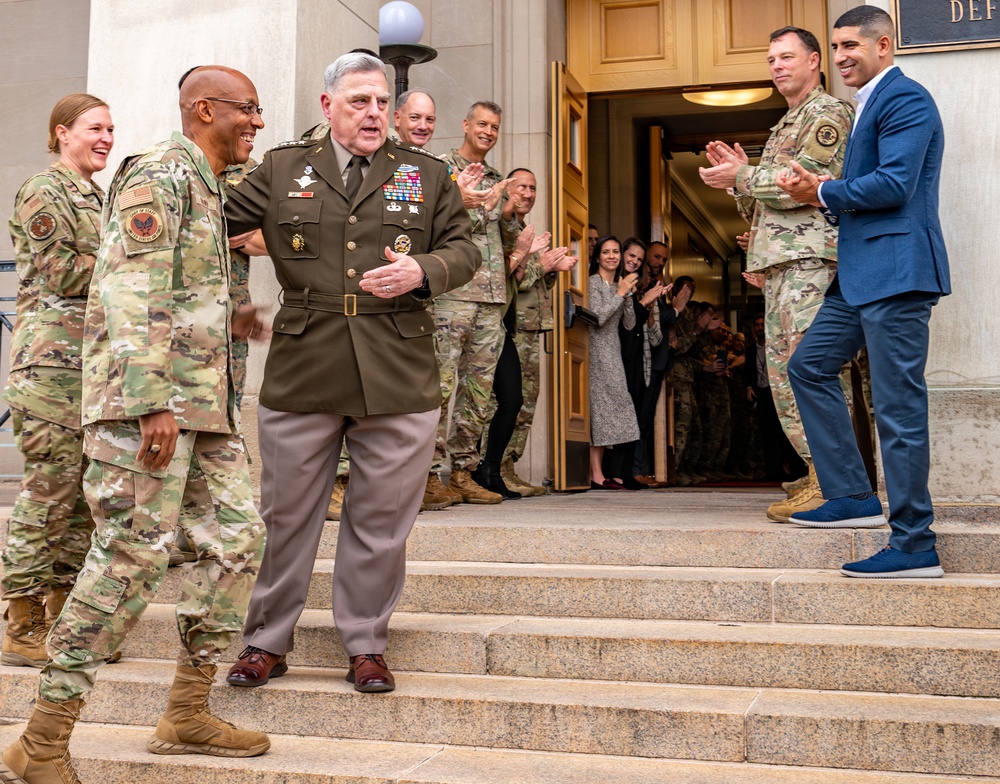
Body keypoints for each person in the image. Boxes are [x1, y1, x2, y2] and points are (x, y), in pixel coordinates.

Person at [0, 66, 273, 783]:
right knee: (127, 558)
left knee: (239, 540)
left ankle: (187, 710)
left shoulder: (211, 191)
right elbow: (127, 286)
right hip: (150, 409)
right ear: (204, 109)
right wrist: (149, 396)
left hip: (204, 410)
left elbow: (178, 290)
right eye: (247, 109)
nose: (257, 121)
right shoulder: (161, 173)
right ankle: (43, 740)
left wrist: (233, 317)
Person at [223, 52, 478, 693]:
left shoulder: (424, 173)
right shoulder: (281, 169)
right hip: (304, 364)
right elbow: (206, 226)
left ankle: (365, 642)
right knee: (286, 516)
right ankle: (265, 640)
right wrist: (223, 307)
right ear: (327, 105)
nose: (373, 113)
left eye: (380, 102)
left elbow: (466, 247)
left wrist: (425, 270)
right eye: (358, 101)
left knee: (381, 521)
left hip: (398, 367)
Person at [777, 5, 950, 578]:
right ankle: (851, 495)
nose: (842, 55)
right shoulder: (865, 104)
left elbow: (896, 184)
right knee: (808, 366)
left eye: (853, 44)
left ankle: (914, 544)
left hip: (898, 273)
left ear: (885, 46)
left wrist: (821, 190)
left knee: (899, 410)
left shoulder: (905, 98)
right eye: (836, 46)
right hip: (858, 276)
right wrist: (820, 196)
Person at [698, 25, 854, 521]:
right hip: (786, 265)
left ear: (814, 61)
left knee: (811, 370)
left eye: (787, 57)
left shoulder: (826, 113)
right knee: (789, 376)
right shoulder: (785, 124)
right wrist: (741, 181)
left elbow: (801, 187)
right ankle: (818, 473)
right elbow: (765, 210)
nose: (777, 66)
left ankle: (837, 482)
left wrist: (743, 176)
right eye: (771, 59)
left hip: (811, 263)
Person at [2, 95, 114, 669]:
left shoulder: (98, 197)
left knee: (79, 500)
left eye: (111, 129)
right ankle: (20, 618)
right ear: (62, 132)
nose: (106, 137)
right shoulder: (44, 191)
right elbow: (60, 270)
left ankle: (64, 616)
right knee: (48, 490)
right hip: (49, 370)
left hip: (90, 370)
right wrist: (135, 263)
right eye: (96, 128)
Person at [428, 101, 519, 505]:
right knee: (440, 386)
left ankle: (463, 472)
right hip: (453, 295)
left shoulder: (500, 178)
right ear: (465, 124)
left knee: (479, 392)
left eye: (495, 126)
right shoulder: (441, 168)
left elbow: (503, 236)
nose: (488, 131)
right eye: (481, 123)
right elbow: (434, 221)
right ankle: (428, 475)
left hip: (490, 299)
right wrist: (468, 199)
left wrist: (510, 212)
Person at [495, 168, 576, 497]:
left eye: (533, 187)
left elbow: (534, 281)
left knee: (526, 403)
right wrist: (541, 263)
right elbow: (506, 277)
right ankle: (495, 466)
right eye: (522, 187)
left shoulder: (525, 228)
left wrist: (552, 268)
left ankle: (509, 466)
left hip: (532, 326)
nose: (528, 193)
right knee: (506, 402)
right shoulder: (503, 228)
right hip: (511, 326)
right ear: (507, 189)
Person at [610, 238, 666, 488]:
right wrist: (643, 303)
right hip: (617, 355)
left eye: (639, 259)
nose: (634, 261)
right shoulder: (615, 284)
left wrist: (648, 304)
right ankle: (615, 473)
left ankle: (627, 473)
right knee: (619, 417)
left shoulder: (635, 287)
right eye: (631, 256)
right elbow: (621, 324)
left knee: (634, 419)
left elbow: (651, 334)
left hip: (639, 359)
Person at [587, 236, 641, 489]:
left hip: (613, 351)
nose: (612, 256)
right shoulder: (592, 283)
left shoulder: (617, 285)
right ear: (597, 257)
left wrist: (627, 296)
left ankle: (600, 472)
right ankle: (596, 474)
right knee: (600, 410)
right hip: (596, 351)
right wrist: (619, 294)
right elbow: (597, 318)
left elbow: (629, 325)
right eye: (606, 252)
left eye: (616, 252)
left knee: (611, 409)